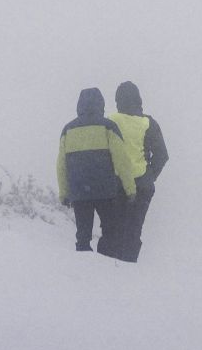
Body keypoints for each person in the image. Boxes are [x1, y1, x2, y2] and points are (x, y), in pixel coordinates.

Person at [56, 87, 136, 256]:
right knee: (110, 231)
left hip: (79, 191)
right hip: (105, 190)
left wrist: (64, 193)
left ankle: (83, 268)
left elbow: (61, 165)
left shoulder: (68, 130)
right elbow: (122, 160)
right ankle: (105, 264)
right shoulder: (108, 126)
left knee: (83, 235)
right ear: (101, 104)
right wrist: (130, 189)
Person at [108, 81, 169, 263]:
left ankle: (110, 271)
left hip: (116, 185)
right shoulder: (148, 123)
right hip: (142, 186)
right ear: (138, 99)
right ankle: (129, 269)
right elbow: (162, 155)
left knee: (114, 229)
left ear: (118, 100)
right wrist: (150, 177)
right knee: (133, 230)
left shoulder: (111, 121)